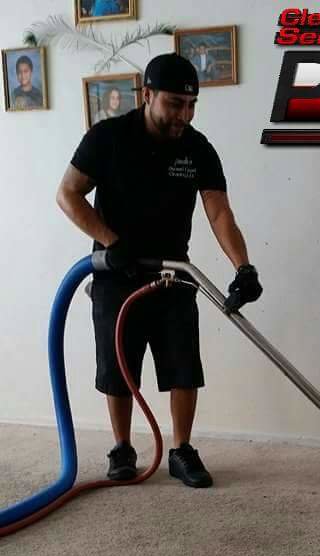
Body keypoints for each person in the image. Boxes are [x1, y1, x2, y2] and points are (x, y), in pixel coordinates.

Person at [56, 53, 262, 488]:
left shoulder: (197, 148)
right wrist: (113, 243)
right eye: (174, 103)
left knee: (183, 367)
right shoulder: (108, 138)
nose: (183, 115)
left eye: (191, 105)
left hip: (174, 272)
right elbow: (69, 194)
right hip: (116, 273)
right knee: (118, 368)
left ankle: (182, 450)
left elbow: (219, 211)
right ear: (146, 95)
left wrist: (243, 267)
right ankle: (122, 447)